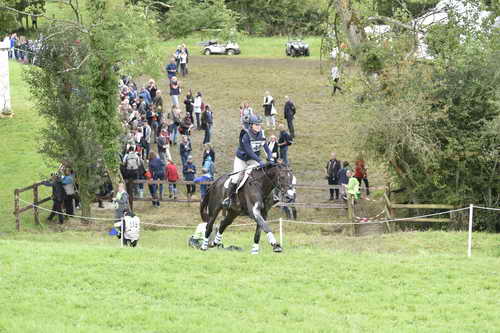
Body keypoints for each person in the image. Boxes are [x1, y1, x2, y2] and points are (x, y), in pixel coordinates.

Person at [222, 115, 272, 208]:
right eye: (256, 124)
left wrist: (270, 156)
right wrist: (259, 160)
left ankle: (265, 197)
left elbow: (266, 148)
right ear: (251, 125)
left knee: (262, 174)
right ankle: (228, 198)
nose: (258, 126)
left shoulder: (262, 134)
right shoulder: (246, 135)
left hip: (253, 159)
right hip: (242, 159)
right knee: (236, 177)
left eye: (259, 124)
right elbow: (249, 151)